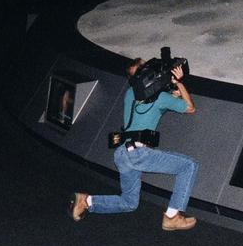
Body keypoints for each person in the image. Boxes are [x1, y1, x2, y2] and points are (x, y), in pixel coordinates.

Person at [71, 58, 199, 232]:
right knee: (188, 166)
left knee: (129, 203)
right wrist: (179, 83)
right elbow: (190, 108)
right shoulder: (160, 97)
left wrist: (171, 90)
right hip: (139, 153)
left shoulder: (130, 93)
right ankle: (172, 216)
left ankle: (87, 201)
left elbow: (154, 99)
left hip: (122, 153)